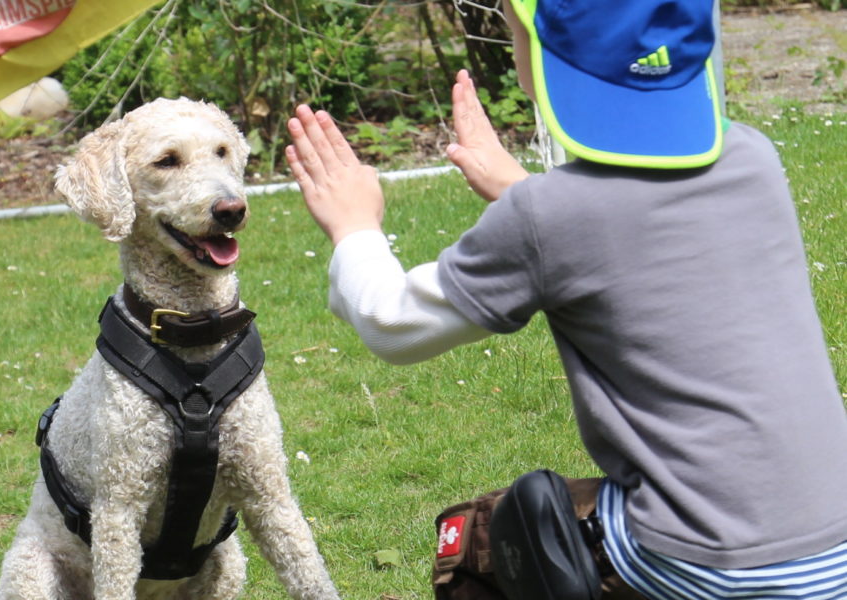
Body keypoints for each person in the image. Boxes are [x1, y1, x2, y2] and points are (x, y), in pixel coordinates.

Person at [285, 0, 847, 598]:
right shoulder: (753, 158)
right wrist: (517, 191)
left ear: (546, 54)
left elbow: (390, 322)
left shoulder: (549, 217)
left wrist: (353, 226)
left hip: (711, 558)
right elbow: (629, 234)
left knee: (480, 543)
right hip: (834, 541)